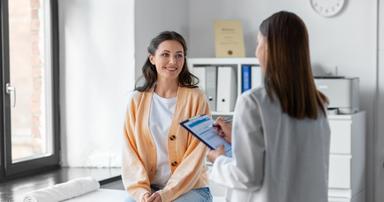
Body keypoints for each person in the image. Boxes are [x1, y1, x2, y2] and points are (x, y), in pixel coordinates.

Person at [207, 11, 331, 202]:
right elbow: (288, 153)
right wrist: (237, 139)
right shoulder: (317, 105)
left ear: (269, 48)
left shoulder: (252, 101)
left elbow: (247, 177)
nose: (256, 52)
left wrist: (218, 161)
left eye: (258, 44)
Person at [122, 31, 212, 202]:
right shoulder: (136, 100)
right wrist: (143, 193)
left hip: (191, 188)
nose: (173, 61)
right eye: (165, 54)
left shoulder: (196, 98)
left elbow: (197, 154)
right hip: (148, 189)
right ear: (152, 59)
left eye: (179, 56)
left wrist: (166, 194)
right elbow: (130, 153)